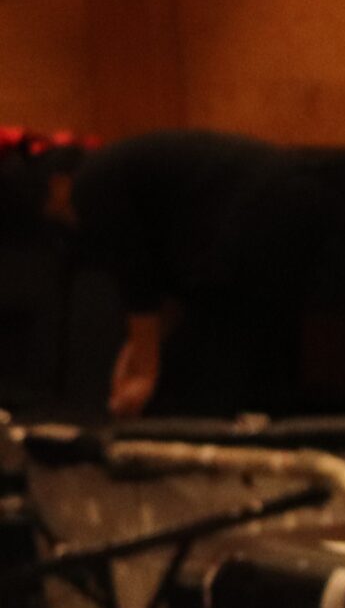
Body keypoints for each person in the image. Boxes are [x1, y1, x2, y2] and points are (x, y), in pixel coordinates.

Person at [64, 130, 330, 418]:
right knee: (252, 345)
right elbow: (161, 283)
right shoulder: (121, 170)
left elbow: (136, 276)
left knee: (217, 357)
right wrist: (142, 350)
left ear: (56, 182)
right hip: (294, 193)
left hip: (253, 212)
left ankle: (217, 424)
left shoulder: (89, 185)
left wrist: (144, 371)